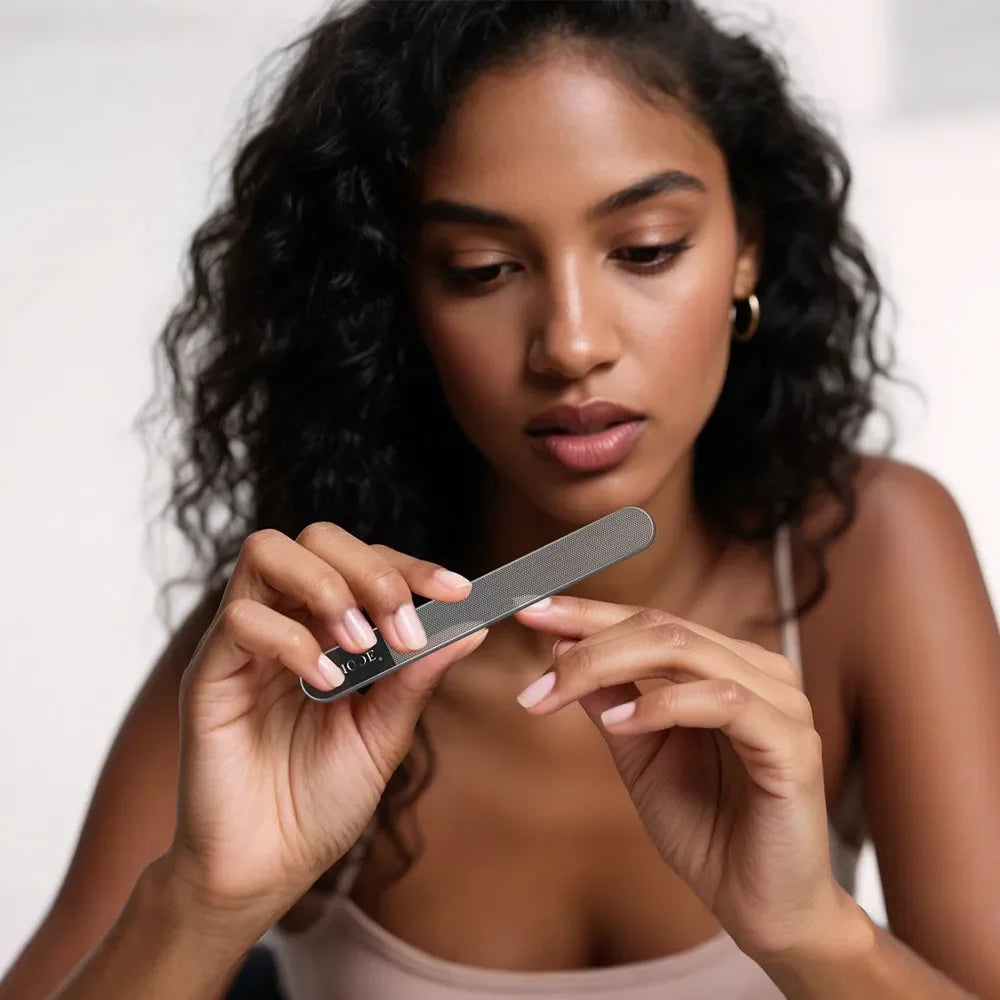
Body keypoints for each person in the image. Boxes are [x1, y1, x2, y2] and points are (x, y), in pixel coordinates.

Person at [3, 1, 998, 998]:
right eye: (482, 271)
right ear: (397, 300)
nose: (570, 343)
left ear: (745, 246)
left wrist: (816, 935)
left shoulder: (873, 551)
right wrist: (203, 899)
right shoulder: (295, 658)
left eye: (645, 248)